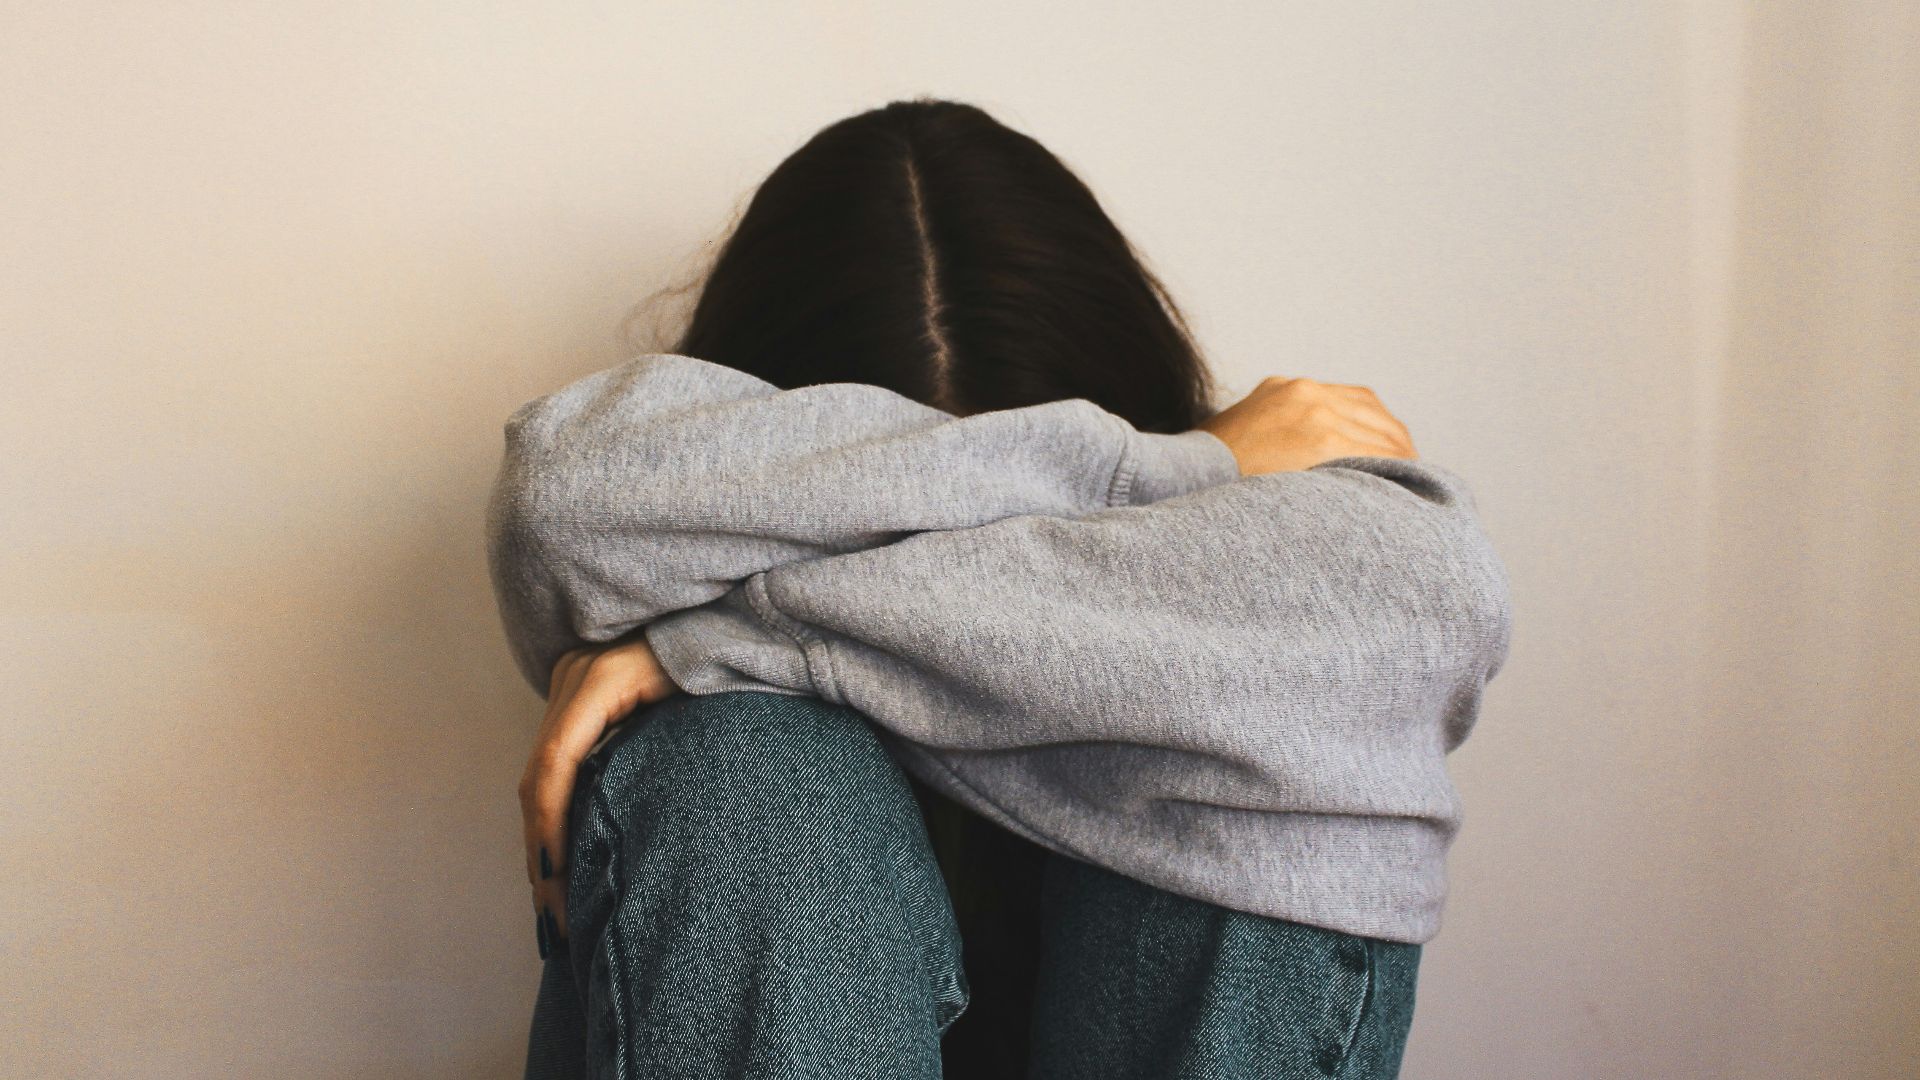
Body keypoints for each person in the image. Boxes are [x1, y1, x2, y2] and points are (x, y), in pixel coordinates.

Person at [485, 98, 1512, 1079]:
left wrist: (718, 629)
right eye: (885, 510)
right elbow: (560, 502)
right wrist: (1164, 477)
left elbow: (1431, 600)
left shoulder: (707, 607)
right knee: (741, 763)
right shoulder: (1187, 478)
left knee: (1272, 732)